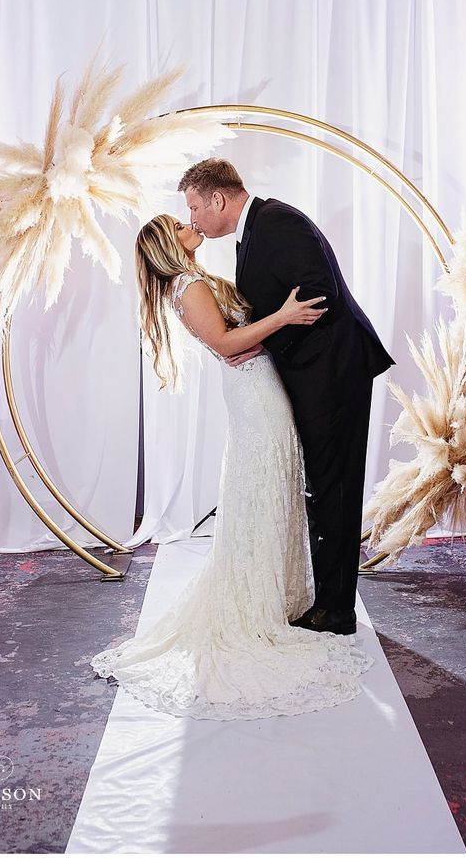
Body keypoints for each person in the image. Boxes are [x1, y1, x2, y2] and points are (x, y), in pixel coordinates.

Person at [90, 213, 374, 720]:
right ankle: (254, 606)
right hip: (253, 395)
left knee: (271, 488)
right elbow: (224, 345)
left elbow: (235, 338)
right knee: (262, 488)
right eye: (181, 223)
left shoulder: (194, 280)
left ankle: (275, 594)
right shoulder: (189, 284)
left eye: (189, 215)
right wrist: (284, 316)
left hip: (261, 387)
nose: (190, 223)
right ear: (167, 244)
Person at [179, 159, 395, 636]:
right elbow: (279, 306)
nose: (193, 217)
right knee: (322, 486)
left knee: (334, 489)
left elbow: (316, 296)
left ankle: (337, 611)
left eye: (195, 206)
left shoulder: (277, 223)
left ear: (218, 199)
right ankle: (327, 598)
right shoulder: (255, 230)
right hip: (316, 376)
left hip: (334, 375)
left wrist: (260, 343)